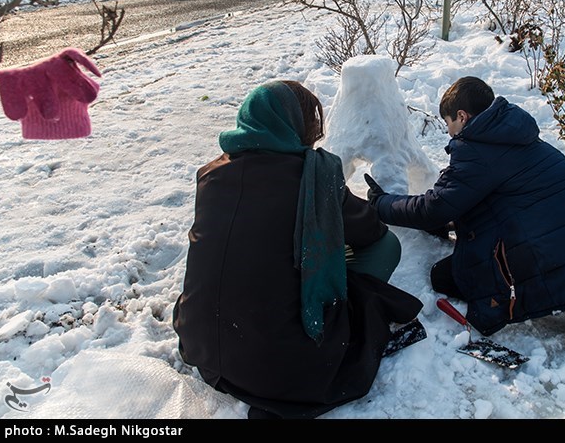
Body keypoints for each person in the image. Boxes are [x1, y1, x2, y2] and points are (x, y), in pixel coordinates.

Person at [173, 80, 423, 419]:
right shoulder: (313, 174)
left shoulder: (211, 175)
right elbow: (370, 232)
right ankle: (339, 304)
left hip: (200, 345)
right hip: (277, 369)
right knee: (386, 246)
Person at [364, 76, 565, 337]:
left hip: (550, 253)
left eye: (448, 123)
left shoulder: (479, 150)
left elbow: (434, 207)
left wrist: (381, 203)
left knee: (444, 276)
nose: (449, 132)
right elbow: (495, 201)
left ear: (462, 116)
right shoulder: (512, 134)